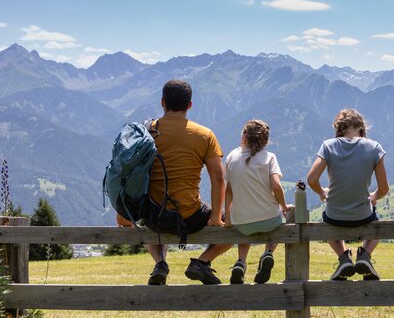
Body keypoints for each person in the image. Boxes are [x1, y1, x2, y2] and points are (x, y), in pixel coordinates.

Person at [119, 79, 231, 285]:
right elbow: (218, 177)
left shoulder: (146, 132)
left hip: (154, 214)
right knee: (233, 221)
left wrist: (123, 213)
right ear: (190, 105)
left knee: (147, 224)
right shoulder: (205, 135)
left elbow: (128, 172)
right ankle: (202, 262)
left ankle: (160, 263)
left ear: (162, 102)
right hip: (190, 216)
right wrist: (216, 216)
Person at [307, 109, 389, 281]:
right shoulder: (374, 147)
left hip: (334, 215)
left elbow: (312, 179)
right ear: (361, 127)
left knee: (328, 226)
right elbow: (384, 188)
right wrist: (373, 197)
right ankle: (364, 255)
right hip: (363, 215)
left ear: (339, 128)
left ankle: (344, 257)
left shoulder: (328, 146)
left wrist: (322, 192)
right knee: (378, 227)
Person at [224, 120, 293, 284]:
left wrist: (228, 217)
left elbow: (228, 191)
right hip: (269, 220)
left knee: (244, 230)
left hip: (242, 223)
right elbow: (276, 186)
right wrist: (283, 206)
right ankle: (268, 252)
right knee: (279, 226)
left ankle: (241, 262)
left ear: (244, 136)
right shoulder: (270, 157)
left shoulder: (232, 157)